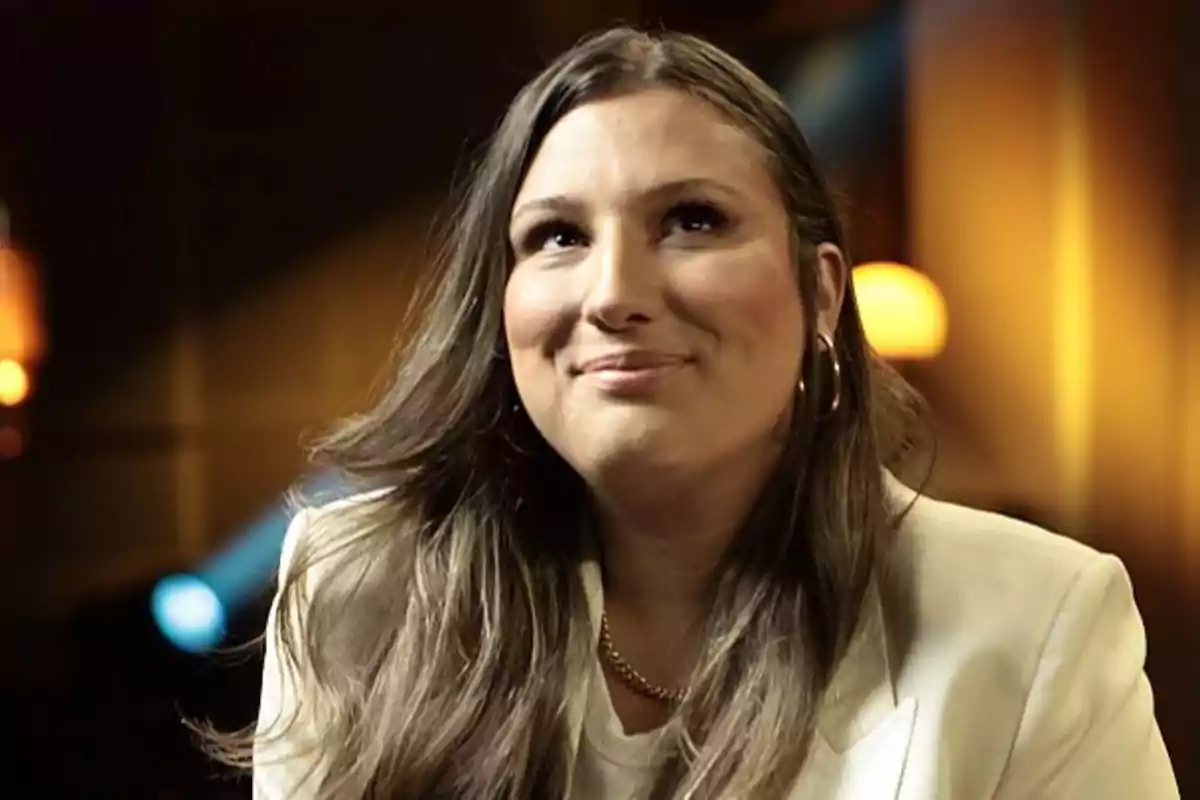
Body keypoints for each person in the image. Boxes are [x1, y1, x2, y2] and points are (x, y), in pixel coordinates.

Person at [209, 27, 1179, 799]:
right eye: (556, 236)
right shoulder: (355, 588)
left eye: (692, 220)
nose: (614, 292)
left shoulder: (1038, 617)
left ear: (823, 294)